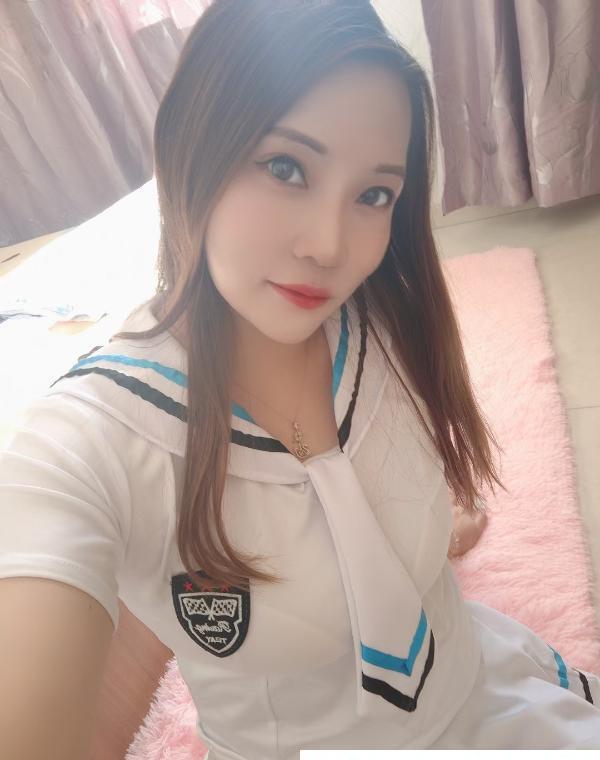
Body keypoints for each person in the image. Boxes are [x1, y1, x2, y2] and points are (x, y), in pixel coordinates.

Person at [1, 1, 599, 757]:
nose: (329, 246)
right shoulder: (89, 441)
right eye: (286, 168)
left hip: (481, 688)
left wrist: (421, 527)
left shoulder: (381, 319)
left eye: (374, 194)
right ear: (190, 150)